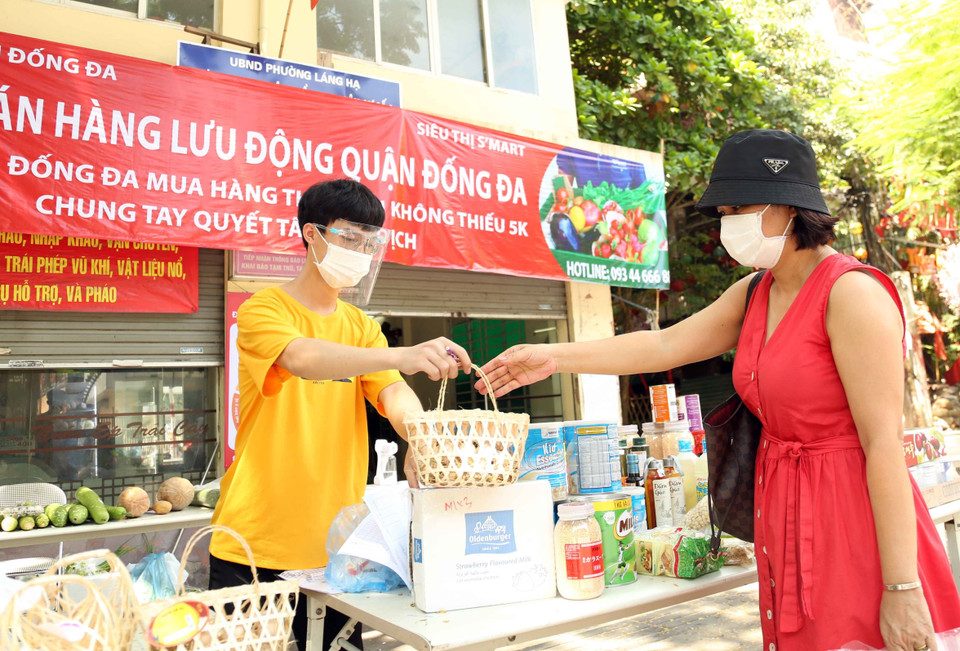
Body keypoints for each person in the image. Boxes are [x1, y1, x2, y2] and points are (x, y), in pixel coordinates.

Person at [477, 130, 960, 651]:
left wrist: (902, 586)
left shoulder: (852, 293)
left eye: (739, 207)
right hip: (783, 509)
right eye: (724, 211)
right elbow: (663, 345)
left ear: (789, 205)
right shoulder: (755, 292)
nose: (728, 223)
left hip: (853, 518)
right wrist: (552, 358)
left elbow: (883, 445)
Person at [209, 179, 471, 651]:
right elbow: (301, 358)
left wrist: (423, 439)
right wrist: (402, 354)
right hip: (253, 541)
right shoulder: (263, 308)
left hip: (339, 550)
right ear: (312, 234)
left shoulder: (361, 327)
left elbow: (394, 393)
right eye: (350, 236)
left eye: (370, 242)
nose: (361, 251)